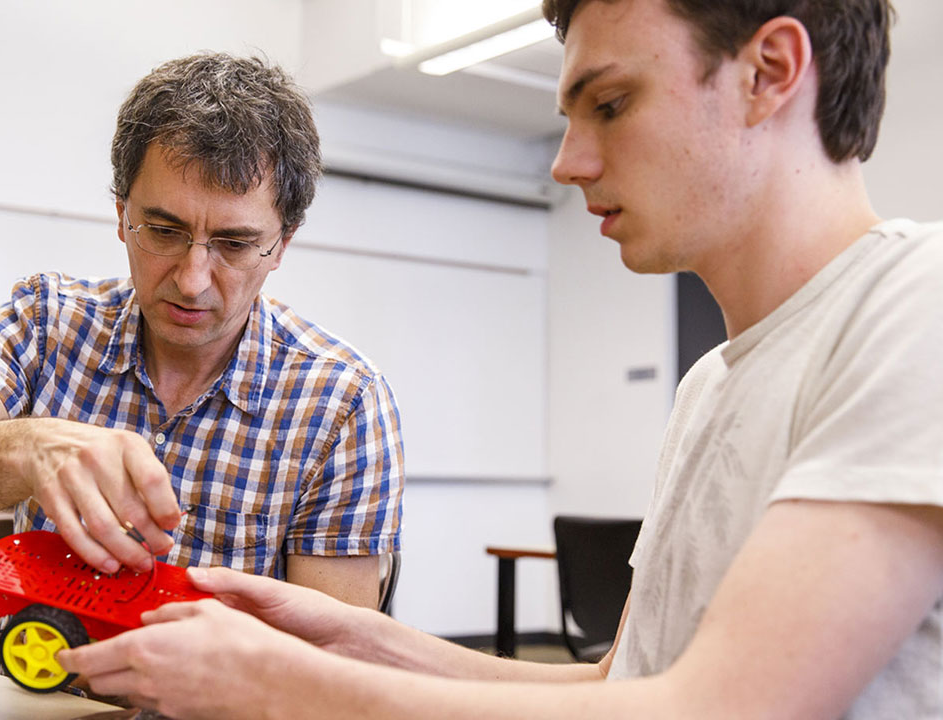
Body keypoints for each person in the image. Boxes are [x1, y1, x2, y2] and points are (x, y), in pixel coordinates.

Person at [56, 1, 943, 717]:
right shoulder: (712, 388)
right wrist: (344, 635)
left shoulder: (918, 301)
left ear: (770, 72)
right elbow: (624, 687)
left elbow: (714, 709)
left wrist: (279, 681)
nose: (568, 161)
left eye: (610, 103)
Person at [0, 53, 404, 611]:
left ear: (282, 243)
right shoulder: (49, 326)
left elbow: (336, 665)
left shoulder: (341, 403)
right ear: (121, 214)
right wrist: (26, 449)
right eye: (163, 229)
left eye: (234, 244)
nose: (193, 279)